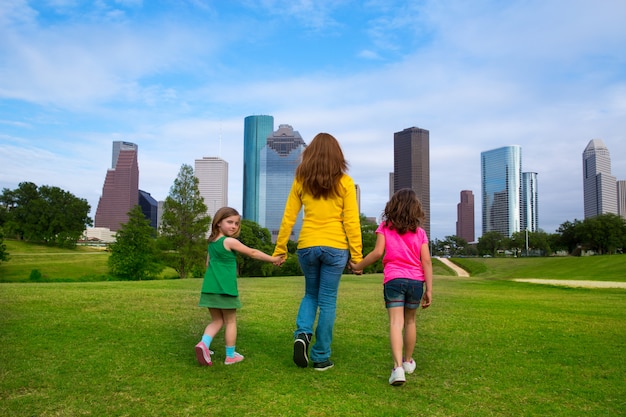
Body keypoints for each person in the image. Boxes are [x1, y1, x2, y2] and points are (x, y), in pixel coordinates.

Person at [273, 132, 363, 371]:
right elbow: (351, 222)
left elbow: (288, 217)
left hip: (307, 246)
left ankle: (302, 334)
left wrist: (280, 248)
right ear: (338, 155)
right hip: (335, 247)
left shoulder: (301, 179)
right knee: (328, 301)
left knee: (310, 295)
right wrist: (358, 257)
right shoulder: (344, 182)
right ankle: (321, 356)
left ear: (309, 153)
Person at [349, 188, 432, 386]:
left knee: (396, 323)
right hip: (415, 281)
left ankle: (397, 369)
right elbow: (426, 261)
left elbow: (378, 253)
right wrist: (429, 289)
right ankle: (408, 361)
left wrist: (357, 266)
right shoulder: (420, 233)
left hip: (394, 279)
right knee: (410, 321)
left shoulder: (385, 227)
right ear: (415, 209)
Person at [195, 207, 283, 366]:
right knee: (230, 321)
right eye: (229, 222)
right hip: (225, 289)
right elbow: (253, 253)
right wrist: (273, 259)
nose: (234, 226)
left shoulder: (211, 243)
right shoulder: (229, 241)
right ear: (218, 223)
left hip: (209, 288)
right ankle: (230, 356)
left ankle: (203, 345)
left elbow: (208, 264)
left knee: (216, 320)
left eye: (236, 223)